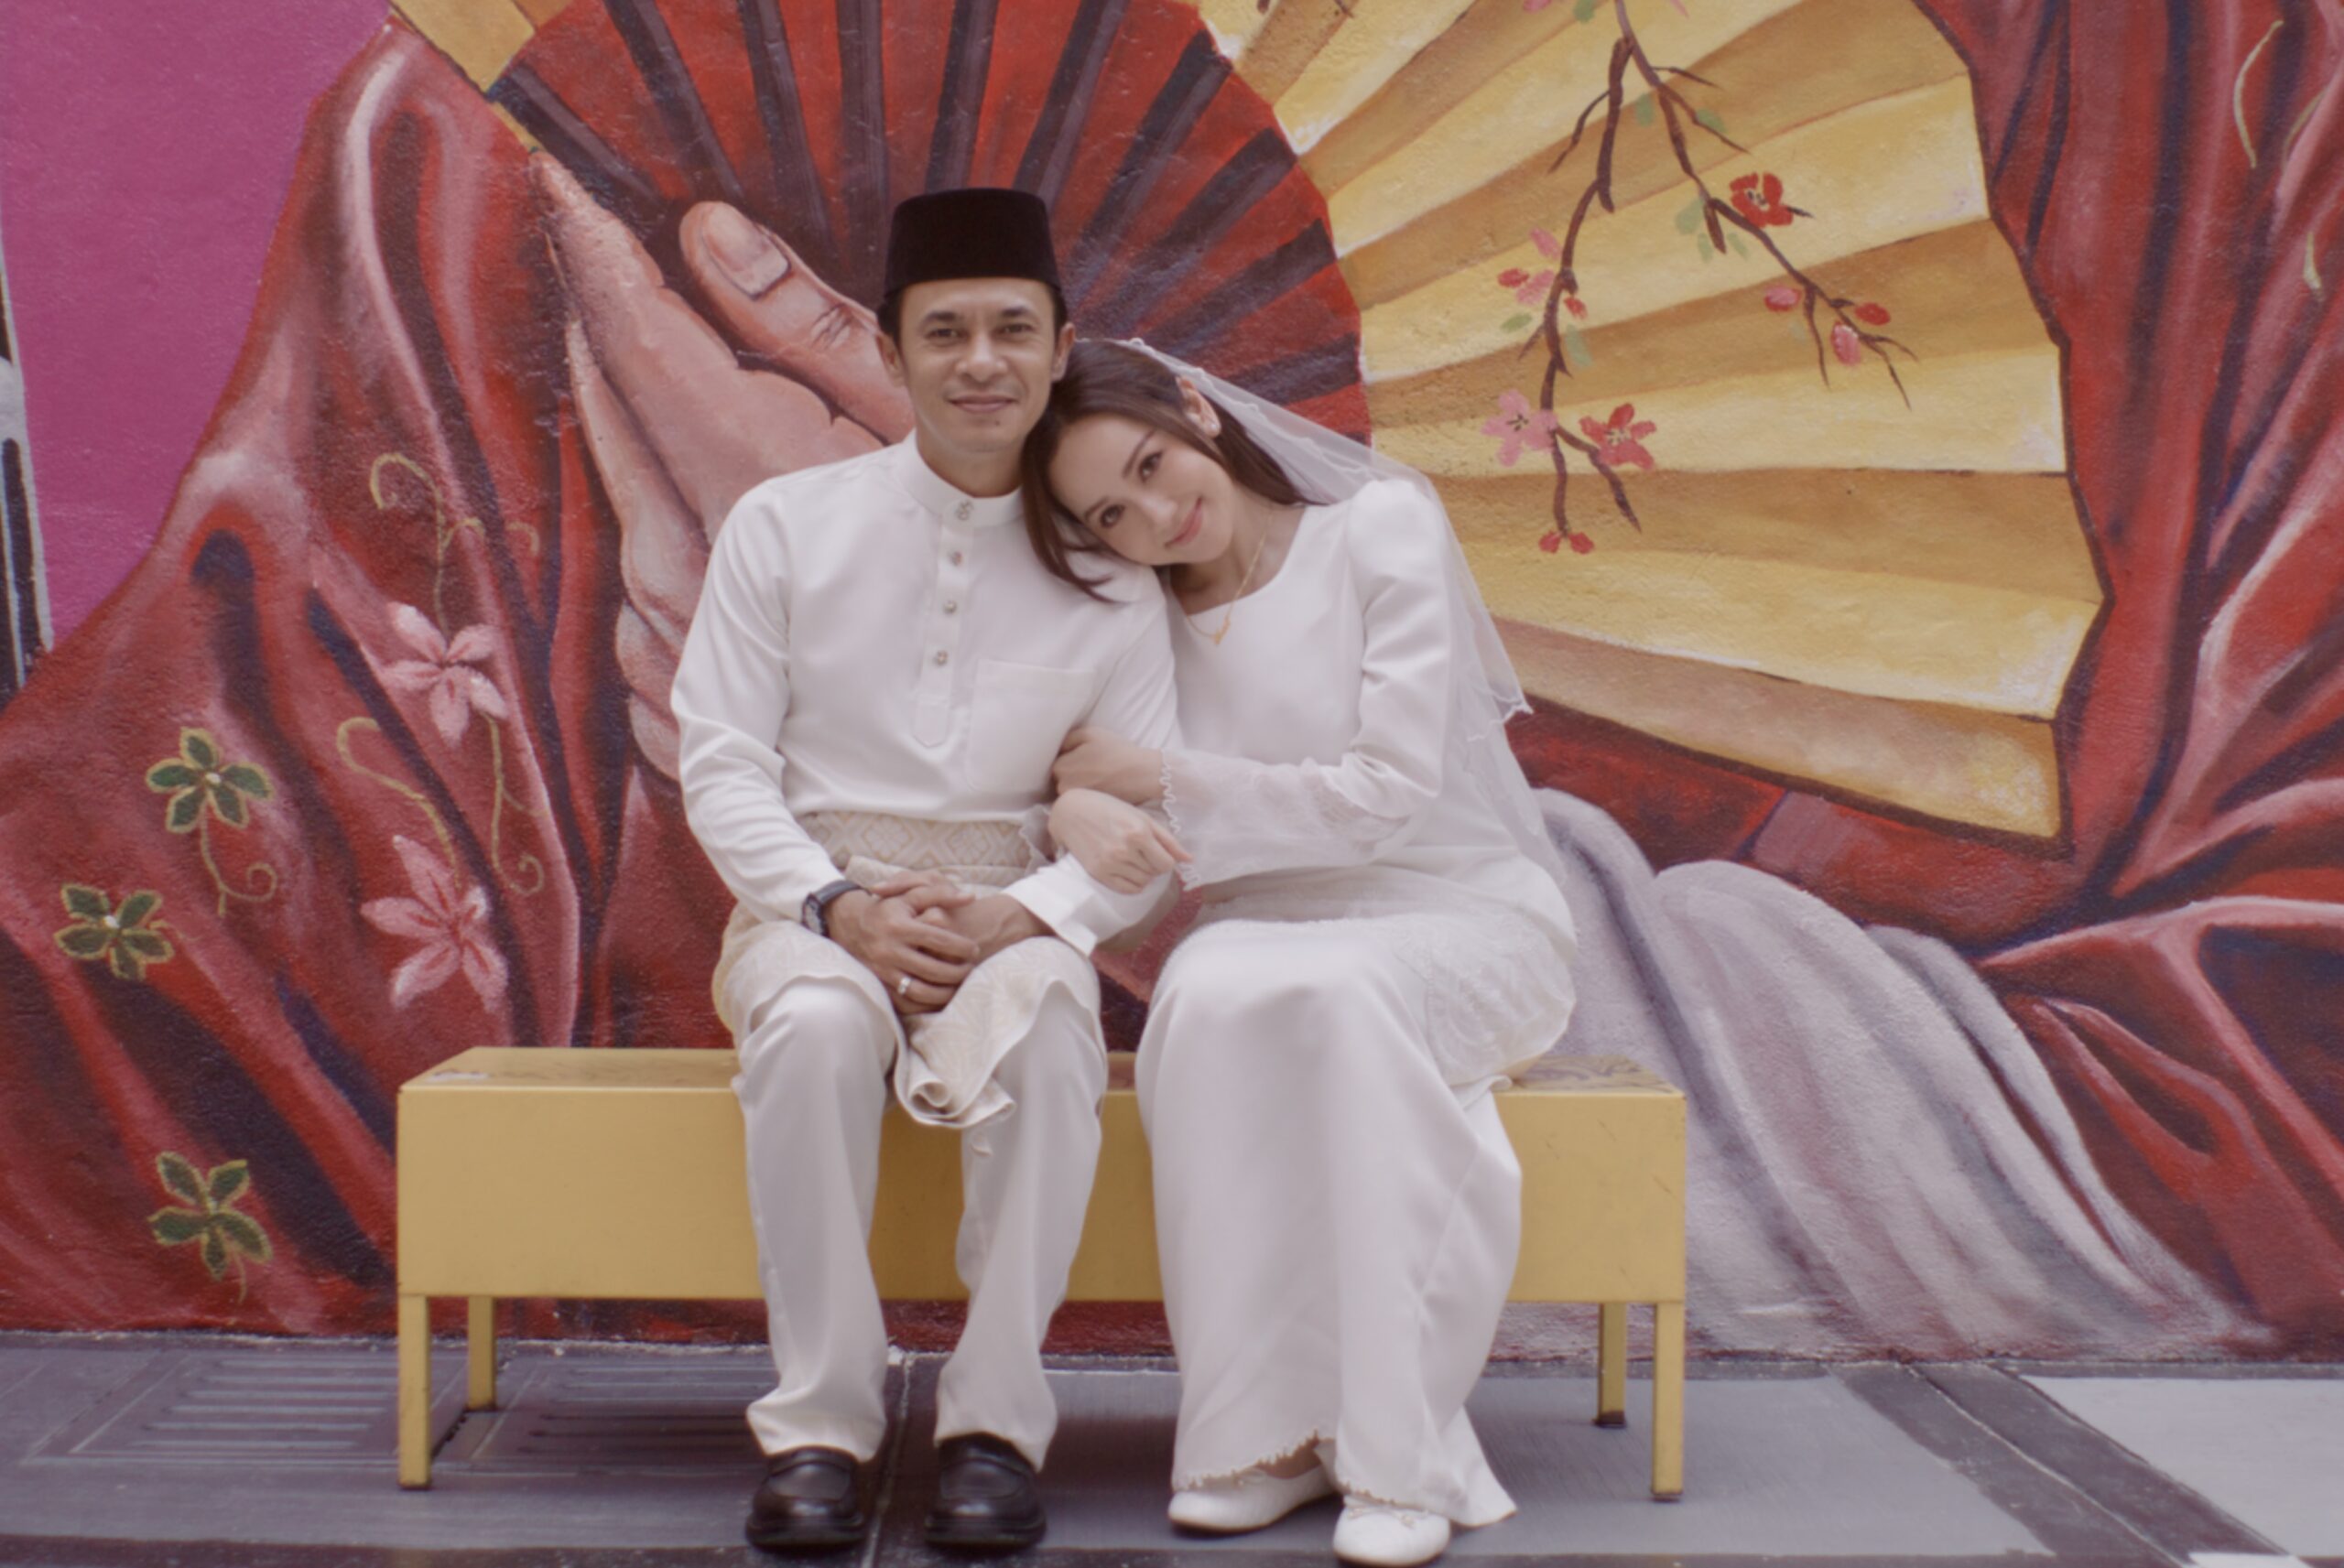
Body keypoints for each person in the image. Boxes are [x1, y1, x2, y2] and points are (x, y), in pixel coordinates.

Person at [668, 195, 1179, 1555]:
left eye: (1013, 329)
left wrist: (1029, 915)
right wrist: (835, 906)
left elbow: (1139, 827)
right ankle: (820, 1427)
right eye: (944, 332)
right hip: (811, 901)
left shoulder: (1115, 577)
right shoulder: (784, 526)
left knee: (1057, 1036)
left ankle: (993, 1425)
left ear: (1061, 346)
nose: (981, 362)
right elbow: (721, 760)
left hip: (1010, 912)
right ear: (891, 352)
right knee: (811, 1029)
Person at [1019, 341, 1579, 1567]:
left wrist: (1157, 775)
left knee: (1340, 989)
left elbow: (1387, 795)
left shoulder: (1378, 530)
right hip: (1258, 928)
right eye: (1111, 515)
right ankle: (1258, 1440)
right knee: (1202, 994)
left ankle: (1395, 1452)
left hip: (1459, 909)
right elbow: (1133, 842)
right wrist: (1073, 826)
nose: (1156, 518)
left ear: (1195, 407)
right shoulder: (1137, 620)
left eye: (1153, 466)